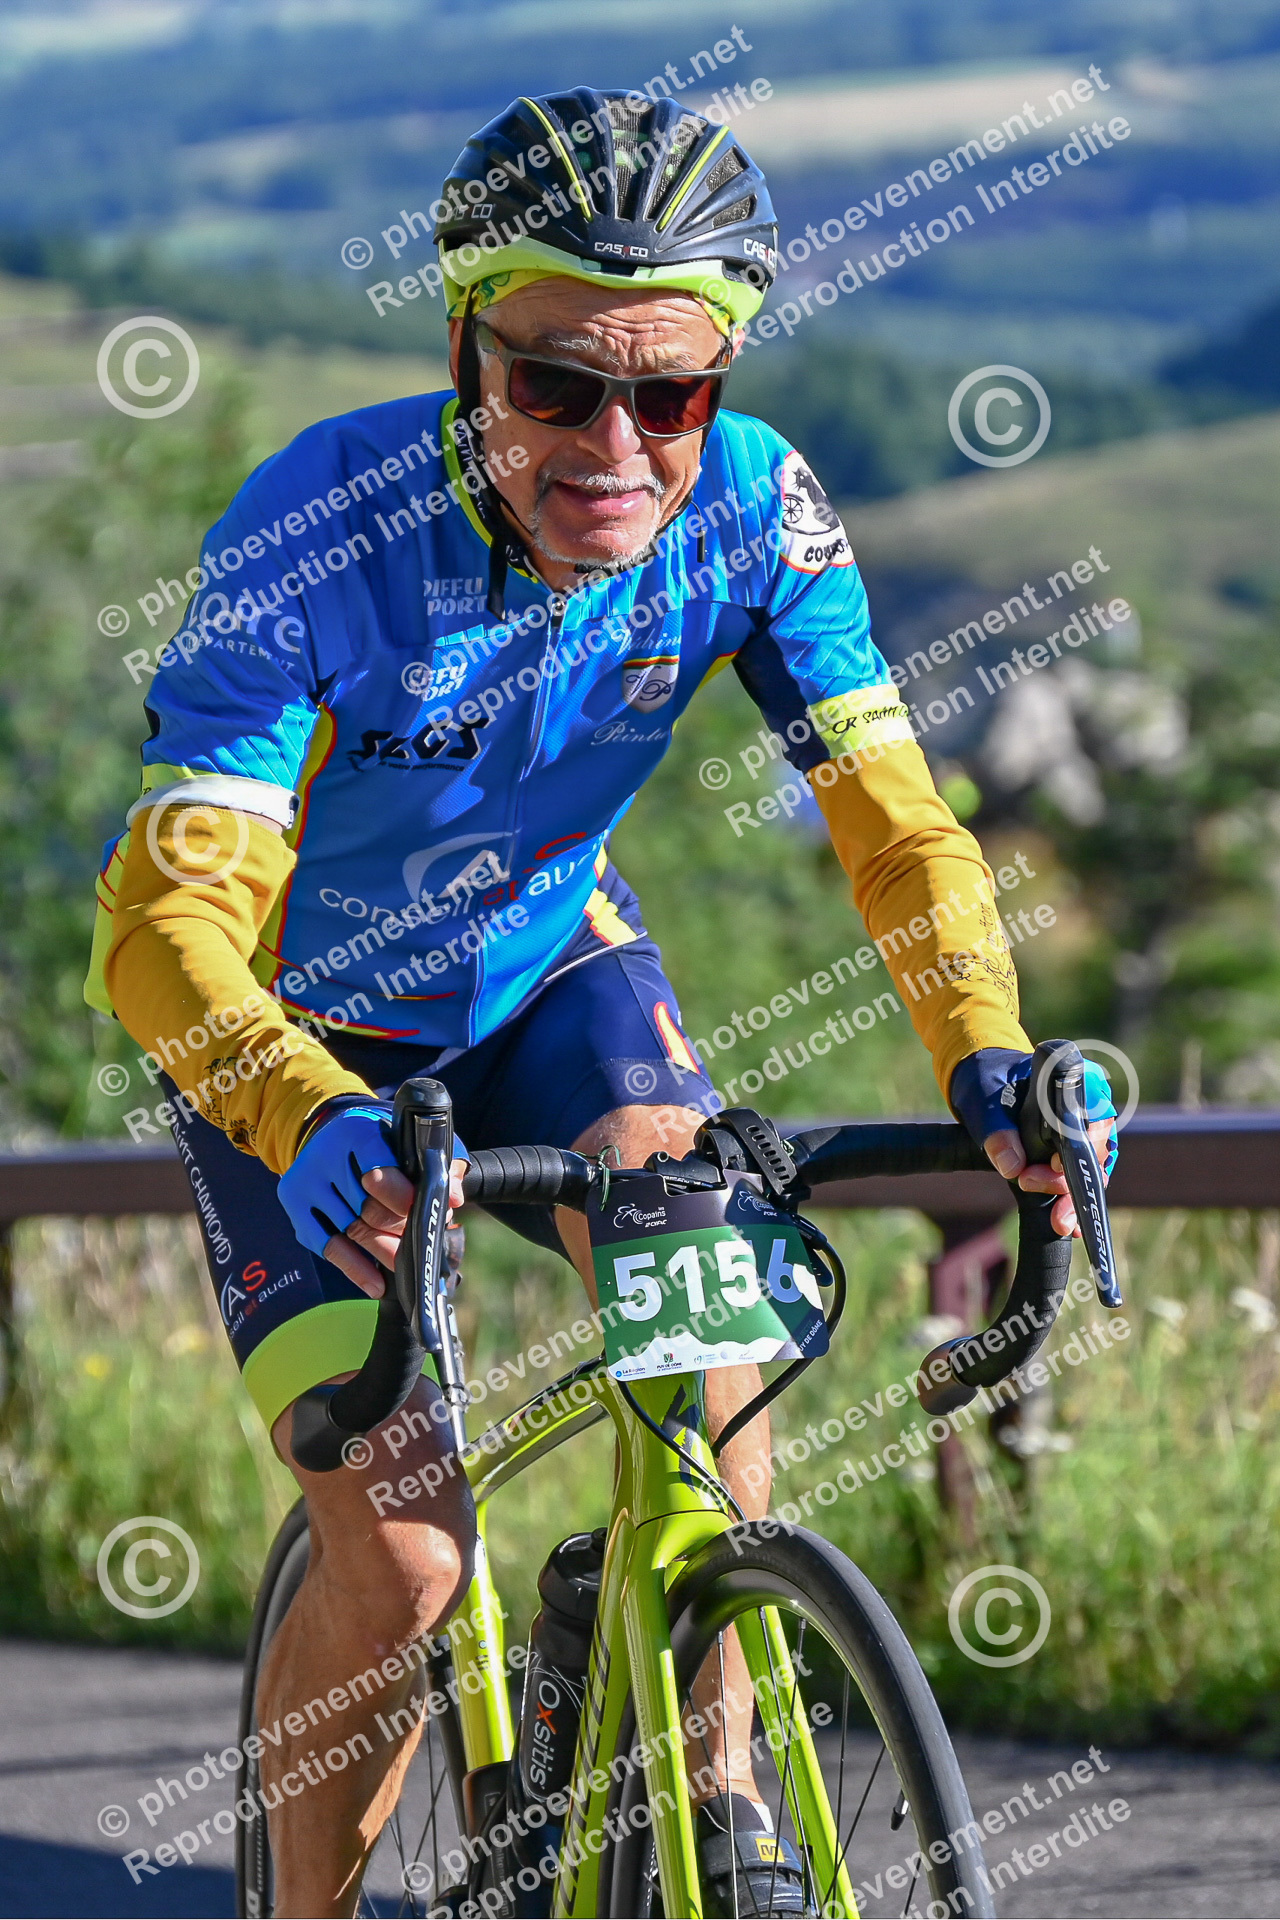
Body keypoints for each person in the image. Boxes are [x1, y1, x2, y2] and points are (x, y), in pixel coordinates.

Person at [87, 88, 1115, 1919]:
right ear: (464, 352)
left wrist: (989, 1060)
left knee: (708, 1335)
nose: (616, 448)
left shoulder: (760, 508)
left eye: (671, 395)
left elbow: (896, 829)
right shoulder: (317, 526)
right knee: (407, 1561)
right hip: (297, 1044)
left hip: (548, 969)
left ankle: (717, 1817)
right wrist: (297, 1107)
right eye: (555, 385)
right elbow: (164, 929)